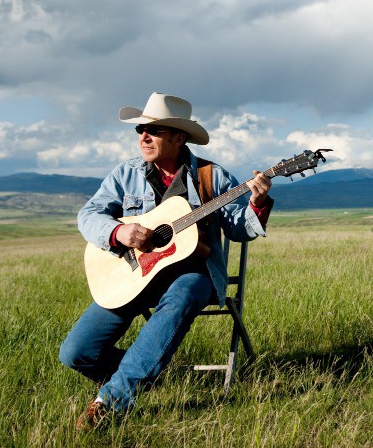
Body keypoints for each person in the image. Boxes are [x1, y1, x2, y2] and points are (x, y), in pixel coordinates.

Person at [60, 92, 273, 431]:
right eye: (141, 129)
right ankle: (146, 369)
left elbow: (238, 229)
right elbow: (89, 215)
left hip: (193, 276)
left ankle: (111, 402)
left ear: (178, 137)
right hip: (135, 276)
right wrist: (119, 233)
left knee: (186, 291)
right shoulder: (125, 173)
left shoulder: (211, 177)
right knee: (76, 352)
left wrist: (258, 204)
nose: (143, 136)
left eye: (154, 130)